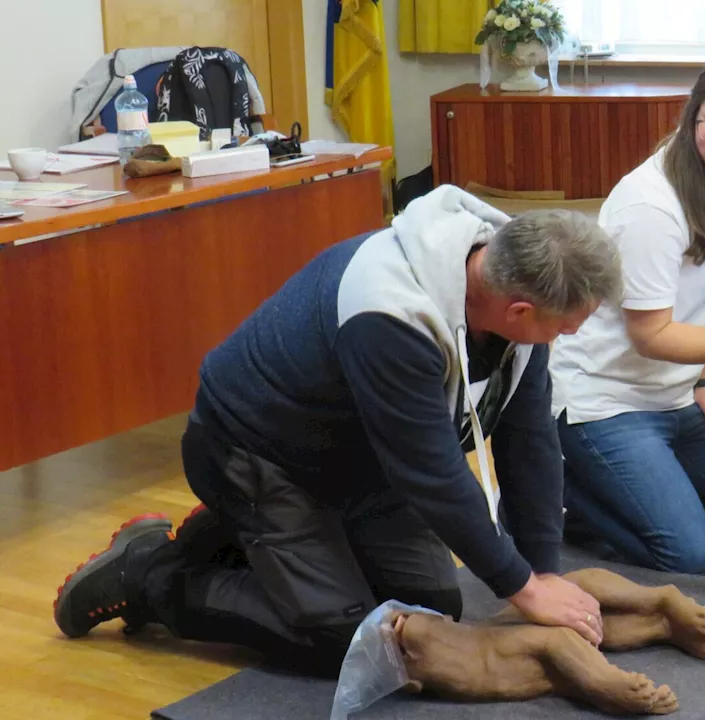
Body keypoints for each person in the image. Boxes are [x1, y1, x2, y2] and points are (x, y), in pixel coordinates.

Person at [52, 185, 625, 675]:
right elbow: (432, 474)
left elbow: (529, 441)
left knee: (428, 615)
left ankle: (231, 539)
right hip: (255, 452)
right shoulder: (392, 314)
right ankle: (149, 571)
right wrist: (520, 588)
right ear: (519, 311)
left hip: (359, 456)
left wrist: (542, 570)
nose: (570, 334)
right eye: (567, 325)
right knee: (351, 642)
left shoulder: (517, 287)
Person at [548, 52, 705, 575]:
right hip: (605, 399)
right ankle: (559, 489)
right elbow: (650, 335)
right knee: (685, 553)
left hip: (675, 396)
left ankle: (647, 480)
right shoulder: (650, 206)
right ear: (692, 114)